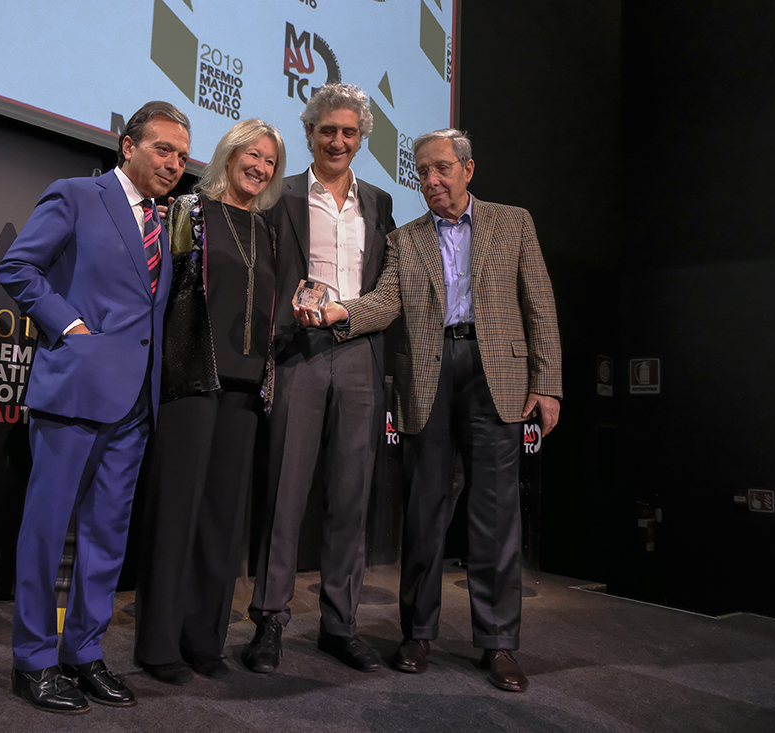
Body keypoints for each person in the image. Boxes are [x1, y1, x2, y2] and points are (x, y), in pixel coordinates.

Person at [306, 128, 562, 692]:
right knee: (423, 510)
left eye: (442, 168)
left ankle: (498, 644)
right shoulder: (405, 238)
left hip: (497, 374)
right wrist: (336, 311)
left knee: (495, 517)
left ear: (469, 169)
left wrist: (548, 385)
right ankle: (417, 632)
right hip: (429, 374)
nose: (431, 181)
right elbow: (385, 302)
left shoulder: (513, 222)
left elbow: (539, 304)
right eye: (422, 172)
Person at [0, 101, 190, 714]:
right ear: (127, 145)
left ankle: (84, 653)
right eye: (164, 150)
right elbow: (19, 265)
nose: (174, 164)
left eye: (183, 156)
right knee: (47, 531)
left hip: (136, 400)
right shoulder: (77, 195)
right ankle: (33, 660)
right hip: (77, 388)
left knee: (107, 535)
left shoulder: (166, 222)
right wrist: (71, 327)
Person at [242, 83, 396, 674]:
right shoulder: (278, 196)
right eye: (327, 130)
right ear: (309, 134)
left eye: (349, 132)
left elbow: (388, 290)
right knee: (285, 491)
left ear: (361, 140)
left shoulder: (380, 203)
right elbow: (261, 277)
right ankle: (270, 622)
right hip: (299, 351)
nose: (338, 141)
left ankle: (339, 624)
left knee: (351, 496)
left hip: (360, 354)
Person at [133, 119, 286, 684]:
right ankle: (157, 647)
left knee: (221, 522)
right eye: (252, 154)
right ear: (229, 155)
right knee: (176, 514)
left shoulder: (268, 231)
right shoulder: (188, 212)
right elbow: (158, 291)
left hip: (247, 390)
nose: (260, 167)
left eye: (270, 161)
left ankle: (205, 642)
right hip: (191, 379)